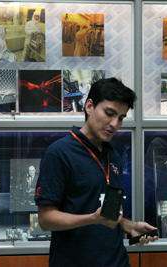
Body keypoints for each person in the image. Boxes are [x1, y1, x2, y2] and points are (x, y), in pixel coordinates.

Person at [35, 77, 158, 267]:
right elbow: (46, 219)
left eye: (121, 118)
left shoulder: (113, 156)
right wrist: (92, 219)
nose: (115, 124)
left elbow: (107, 216)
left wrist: (129, 226)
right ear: (90, 106)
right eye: (109, 113)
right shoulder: (59, 153)